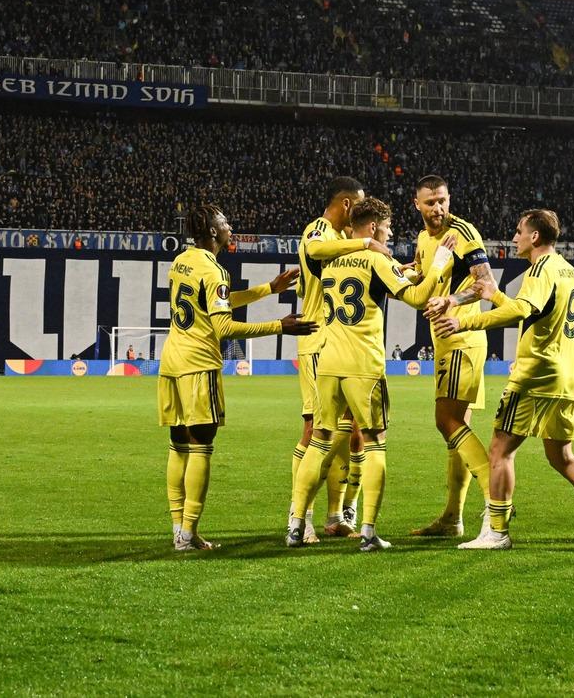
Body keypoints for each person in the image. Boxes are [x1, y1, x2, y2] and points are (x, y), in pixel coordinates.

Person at [433, 209, 574, 550]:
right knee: (561, 456)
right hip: (565, 377)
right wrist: (494, 294)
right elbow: (535, 309)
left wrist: (464, 323)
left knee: (499, 450)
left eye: (519, 231)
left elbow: (522, 310)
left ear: (535, 237)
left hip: (535, 375)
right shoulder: (568, 270)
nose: (514, 238)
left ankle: (496, 532)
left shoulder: (540, 269)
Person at [287, 197, 454, 551]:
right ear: (375, 226)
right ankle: (367, 532)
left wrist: (401, 270)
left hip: (327, 363)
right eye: (388, 228)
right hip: (363, 366)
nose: (390, 234)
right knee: (376, 443)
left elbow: (369, 282)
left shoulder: (332, 259)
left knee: (319, 442)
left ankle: (296, 524)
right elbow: (418, 297)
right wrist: (439, 264)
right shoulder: (376, 257)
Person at [161, 202, 314, 551]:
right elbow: (224, 325)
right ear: (213, 231)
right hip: (199, 364)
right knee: (201, 446)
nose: (230, 227)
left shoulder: (181, 262)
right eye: (225, 222)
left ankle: (177, 529)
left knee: (178, 445)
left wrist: (268, 289)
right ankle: (189, 534)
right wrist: (281, 326)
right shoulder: (214, 271)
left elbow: (216, 301)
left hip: (171, 361)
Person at [290, 176, 390, 541]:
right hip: (319, 340)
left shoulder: (345, 244)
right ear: (347, 205)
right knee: (315, 433)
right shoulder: (320, 230)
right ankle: (302, 517)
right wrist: (366, 242)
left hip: (342, 345)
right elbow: (315, 251)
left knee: (354, 435)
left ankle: (338, 512)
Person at [411, 174, 496, 538]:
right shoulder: (422, 239)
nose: (438, 208)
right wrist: (405, 272)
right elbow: (423, 274)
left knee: (446, 420)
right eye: (430, 203)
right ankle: (452, 517)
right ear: (417, 205)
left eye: (442, 200)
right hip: (446, 340)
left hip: (463, 337)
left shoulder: (463, 232)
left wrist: (452, 301)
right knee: (457, 427)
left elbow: (486, 284)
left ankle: (497, 498)